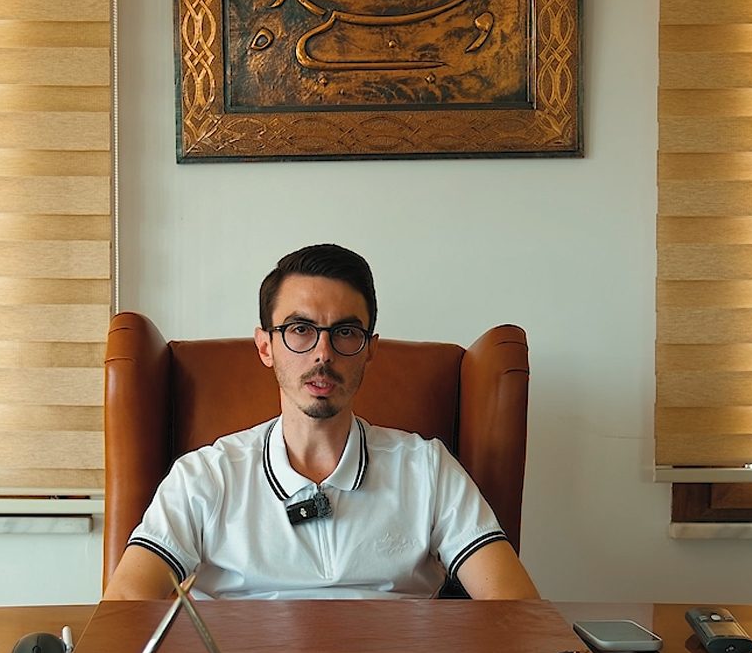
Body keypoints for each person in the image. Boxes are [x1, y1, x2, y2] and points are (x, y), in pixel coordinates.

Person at [103, 244, 540, 601]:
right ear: (265, 347)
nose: (323, 354)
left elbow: (513, 608)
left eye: (346, 332)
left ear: (370, 349)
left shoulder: (426, 467)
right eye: (300, 330)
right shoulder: (204, 476)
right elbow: (125, 609)